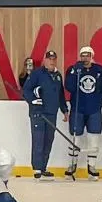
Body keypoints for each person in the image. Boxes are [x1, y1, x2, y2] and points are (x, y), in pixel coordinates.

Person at [64, 46, 102, 180]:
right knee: (75, 138)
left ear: (92, 56)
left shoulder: (98, 70)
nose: (85, 58)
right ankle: (72, 166)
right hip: (78, 109)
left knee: (94, 138)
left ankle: (92, 166)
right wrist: (74, 72)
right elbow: (69, 87)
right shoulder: (73, 69)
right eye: (82, 55)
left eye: (87, 55)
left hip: (94, 109)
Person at [22, 50, 69, 181]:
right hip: (38, 113)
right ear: (45, 60)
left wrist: (64, 110)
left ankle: (43, 167)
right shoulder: (37, 74)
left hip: (51, 113)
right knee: (38, 140)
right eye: (49, 59)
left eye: (54, 59)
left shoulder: (58, 76)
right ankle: (37, 168)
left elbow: (60, 95)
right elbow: (26, 89)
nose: (51, 61)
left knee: (48, 140)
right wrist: (32, 100)